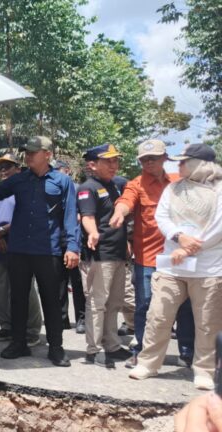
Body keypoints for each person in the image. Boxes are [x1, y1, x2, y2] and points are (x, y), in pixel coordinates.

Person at [0, 136, 80, 367]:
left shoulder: (62, 181)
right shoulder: (18, 180)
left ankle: (56, 347)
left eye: (32, 152)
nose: (27, 156)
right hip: (19, 249)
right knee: (18, 297)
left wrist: (72, 247)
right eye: (26, 152)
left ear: (47, 154)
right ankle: (19, 343)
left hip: (48, 249)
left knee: (51, 299)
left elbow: (70, 216)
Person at [129, 143, 222, 390]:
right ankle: (148, 363)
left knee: (207, 322)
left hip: (208, 269)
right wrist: (178, 237)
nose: (178, 165)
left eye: (183, 162)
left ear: (199, 164)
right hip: (172, 266)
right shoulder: (173, 188)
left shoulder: (219, 190)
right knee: (158, 315)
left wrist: (189, 248)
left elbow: (218, 227)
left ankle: (205, 370)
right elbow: (162, 216)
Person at [109, 139, 195, 368]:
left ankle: (188, 352)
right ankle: (141, 351)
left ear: (165, 158)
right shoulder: (135, 185)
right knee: (145, 306)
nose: (148, 162)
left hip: (178, 257)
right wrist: (119, 213)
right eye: (144, 159)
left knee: (185, 306)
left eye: (153, 158)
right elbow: (125, 202)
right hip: (148, 257)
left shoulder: (178, 183)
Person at [0, 153, 42, 346]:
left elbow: (29, 216)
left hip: (20, 243)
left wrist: (2, 231)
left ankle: (31, 330)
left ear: (18, 169)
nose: (3, 171)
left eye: (8, 167)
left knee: (26, 289)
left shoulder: (25, 190)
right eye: (1, 168)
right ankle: (6, 326)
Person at [77, 144, 131, 368]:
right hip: (101, 253)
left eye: (115, 160)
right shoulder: (88, 188)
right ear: (92, 165)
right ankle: (94, 349)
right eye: (108, 161)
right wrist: (93, 233)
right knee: (97, 302)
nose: (113, 164)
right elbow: (87, 216)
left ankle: (112, 345)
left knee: (115, 302)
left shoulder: (117, 185)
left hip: (118, 253)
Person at [54, 160, 86, 334]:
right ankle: (62, 319)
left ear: (66, 171)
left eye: (57, 170)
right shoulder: (51, 188)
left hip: (75, 241)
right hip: (57, 241)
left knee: (78, 283)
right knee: (59, 282)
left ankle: (82, 319)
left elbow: (83, 214)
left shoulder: (77, 188)